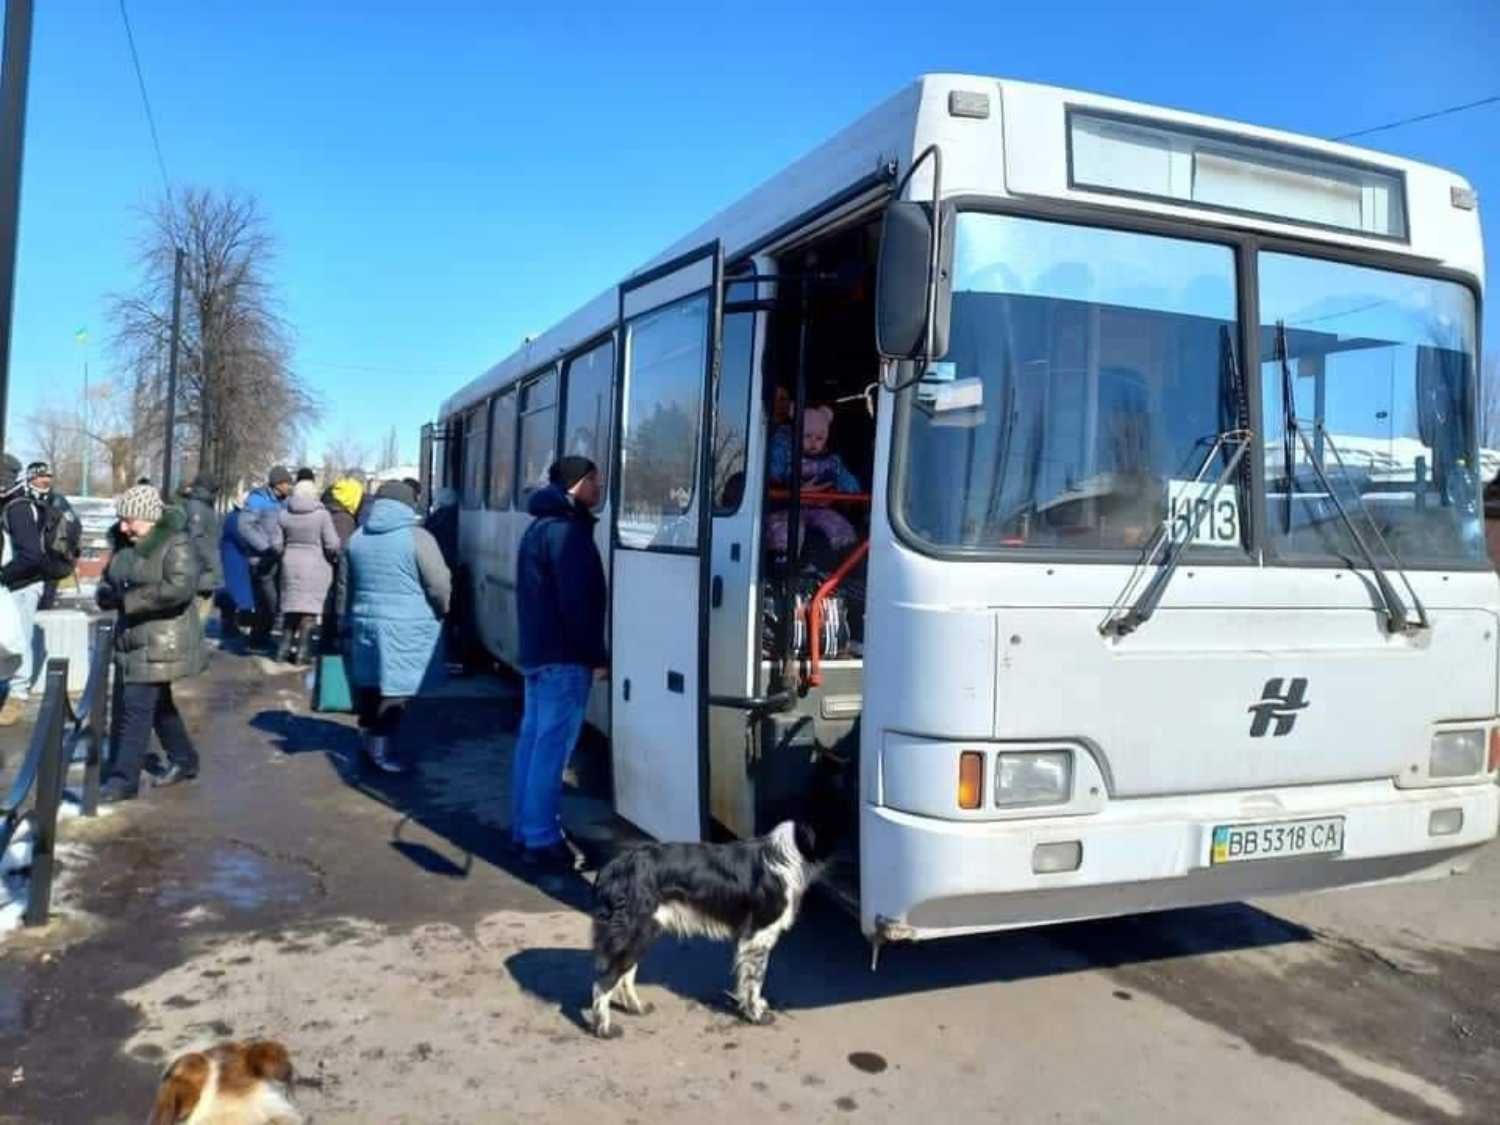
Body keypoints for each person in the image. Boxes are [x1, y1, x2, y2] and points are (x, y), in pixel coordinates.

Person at [511, 455, 607, 870]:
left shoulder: (539, 527)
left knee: (533, 745)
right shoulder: (569, 532)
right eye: (594, 481)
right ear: (577, 484)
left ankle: (525, 828)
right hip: (566, 657)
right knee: (552, 751)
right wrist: (595, 656)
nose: (600, 489)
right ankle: (542, 839)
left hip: (539, 653)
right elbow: (577, 604)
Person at [96, 485, 205, 802]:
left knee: (136, 706)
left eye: (130, 520)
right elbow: (111, 576)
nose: (123, 527)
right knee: (157, 705)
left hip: (161, 639)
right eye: (121, 520)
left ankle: (123, 779)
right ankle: (184, 759)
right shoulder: (124, 542)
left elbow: (179, 588)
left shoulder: (176, 542)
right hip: (132, 636)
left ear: (150, 518)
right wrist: (105, 591)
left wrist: (129, 600)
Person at [338, 479, 449, 773]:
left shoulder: (358, 537)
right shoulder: (419, 538)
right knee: (397, 690)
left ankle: (367, 737)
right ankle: (380, 750)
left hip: (366, 623)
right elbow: (439, 584)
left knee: (371, 683)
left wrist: (345, 621)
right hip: (408, 626)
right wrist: (442, 610)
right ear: (407, 505)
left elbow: (344, 587)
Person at [0, 455, 47, 724]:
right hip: (11, 584)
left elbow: (32, 555)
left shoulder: (17, 508)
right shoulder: (9, 504)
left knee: (20, 639)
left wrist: (3, 575)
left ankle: (18, 696)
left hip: (22, 585)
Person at [276, 480, 340, 664]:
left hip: (290, 564)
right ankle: (303, 653)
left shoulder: (284, 515)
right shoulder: (322, 516)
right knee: (309, 611)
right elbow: (332, 543)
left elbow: (275, 543)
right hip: (316, 566)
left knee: (291, 608)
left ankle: (282, 650)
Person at [237, 466, 292, 648]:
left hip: (277, 558)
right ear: (277, 483)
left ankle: (260, 638)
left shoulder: (284, 501)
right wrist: (266, 548)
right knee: (268, 602)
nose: (289, 486)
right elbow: (245, 527)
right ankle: (257, 639)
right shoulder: (257, 499)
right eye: (286, 483)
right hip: (261, 559)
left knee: (271, 603)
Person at [25, 462, 81, 610]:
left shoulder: (58, 501)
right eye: (41, 476)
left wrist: (67, 551)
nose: (46, 479)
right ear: (31, 478)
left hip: (50, 563)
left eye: (48, 476)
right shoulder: (20, 499)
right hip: (24, 565)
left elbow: (74, 526)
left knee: (43, 608)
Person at [320, 477, 363, 646]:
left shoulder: (327, 511)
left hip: (322, 566)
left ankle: (327, 637)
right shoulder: (344, 519)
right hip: (336, 568)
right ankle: (332, 639)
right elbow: (343, 547)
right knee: (335, 602)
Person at [179, 474, 224, 629]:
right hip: (201, 570)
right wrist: (209, 563)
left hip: (204, 569)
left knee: (200, 613)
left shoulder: (202, 505)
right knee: (197, 616)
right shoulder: (197, 507)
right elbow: (196, 538)